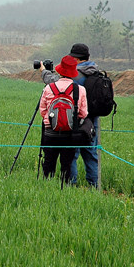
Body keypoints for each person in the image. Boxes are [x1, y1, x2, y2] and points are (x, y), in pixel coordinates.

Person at [39, 43, 99, 187]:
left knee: (69, 157)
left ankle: (69, 186)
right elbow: (84, 112)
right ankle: (94, 186)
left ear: (76, 59)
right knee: (91, 154)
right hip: (91, 121)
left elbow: (44, 108)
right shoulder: (95, 72)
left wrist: (44, 71)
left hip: (67, 126)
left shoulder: (78, 76)